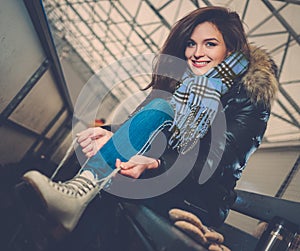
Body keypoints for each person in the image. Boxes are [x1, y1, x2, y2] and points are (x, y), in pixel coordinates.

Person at [22, 5, 278, 242]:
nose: (197, 53)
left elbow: (218, 160)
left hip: (198, 193)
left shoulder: (250, 97)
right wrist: (109, 133)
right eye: (191, 44)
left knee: (118, 179)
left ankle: (65, 214)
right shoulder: (180, 82)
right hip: (154, 167)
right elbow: (141, 122)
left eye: (209, 44)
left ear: (230, 50)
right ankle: (54, 212)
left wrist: (157, 163)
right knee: (98, 145)